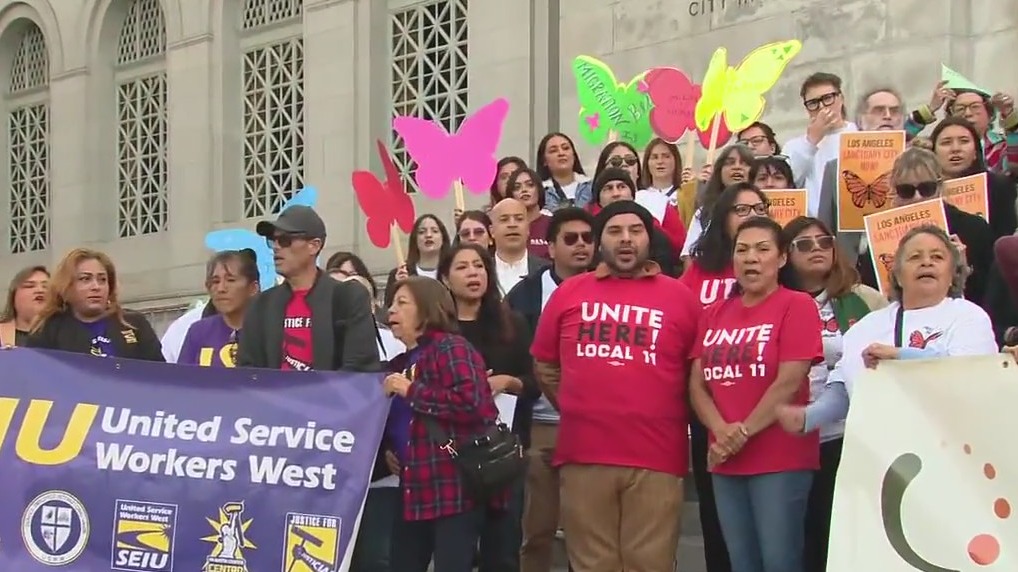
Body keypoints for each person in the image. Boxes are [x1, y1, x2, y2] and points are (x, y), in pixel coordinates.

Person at [531, 200, 702, 572]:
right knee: (592, 565)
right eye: (614, 231)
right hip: (584, 455)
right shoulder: (569, 293)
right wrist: (577, 406)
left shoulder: (681, 297)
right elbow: (545, 365)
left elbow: (698, 375)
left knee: (650, 564)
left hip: (657, 457)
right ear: (598, 241)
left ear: (649, 238)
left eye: (635, 231)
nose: (626, 240)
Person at [777, 225, 997, 449]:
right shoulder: (867, 327)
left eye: (937, 257)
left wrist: (899, 356)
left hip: (953, 450)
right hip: (886, 454)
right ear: (898, 276)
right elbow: (844, 385)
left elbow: (968, 373)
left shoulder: (970, 316)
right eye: (915, 257)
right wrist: (809, 416)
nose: (926, 262)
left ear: (952, 274)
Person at [689, 216, 824, 572]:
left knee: (780, 561)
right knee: (741, 562)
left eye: (762, 250)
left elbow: (790, 379)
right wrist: (721, 432)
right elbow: (697, 384)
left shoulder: (797, 305)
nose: (751, 258)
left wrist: (741, 432)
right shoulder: (715, 313)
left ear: (781, 259)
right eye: (742, 250)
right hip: (724, 457)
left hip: (780, 457)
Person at [780, 216, 887, 572]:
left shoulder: (865, 299)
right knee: (797, 538)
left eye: (824, 242)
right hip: (788, 433)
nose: (817, 250)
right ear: (785, 255)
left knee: (837, 532)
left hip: (847, 433)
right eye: (804, 244)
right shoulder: (774, 300)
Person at [382, 276, 501, 572]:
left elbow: (473, 404)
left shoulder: (451, 348)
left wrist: (412, 391)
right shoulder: (400, 362)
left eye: (402, 303)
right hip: (413, 486)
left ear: (427, 309)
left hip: (453, 487)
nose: (391, 312)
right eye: (391, 304)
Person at [438, 243, 538, 572]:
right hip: (451, 458)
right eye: (463, 267)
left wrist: (507, 382)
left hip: (503, 456)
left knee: (504, 552)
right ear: (445, 277)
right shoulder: (437, 332)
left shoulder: (514, 324)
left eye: (479, 266)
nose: (473, 273)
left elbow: (535, 384)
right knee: (456, 555)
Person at [506, 207, 595, 572]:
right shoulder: (525, 294)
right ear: (551, 248)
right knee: (536, 529)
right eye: (570, 239)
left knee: (588, 532)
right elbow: (511, 354)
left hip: (593, 427)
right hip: (539, 424)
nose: (581, 246)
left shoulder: (613, 290)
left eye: (588, 239)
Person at [237, 205, 380, 371]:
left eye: (285, 240)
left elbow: (359, 368)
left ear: (314, 245)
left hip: (329, 396)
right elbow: (248, 370)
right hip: (273, 396)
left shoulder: (347, 298)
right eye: (272, 240)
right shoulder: (261, 305)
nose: (276, 247)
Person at [855, 147, 994, 307]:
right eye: (906, 191)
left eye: (926, 189)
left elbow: (989, 294)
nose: (917, 198)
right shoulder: (879, 236)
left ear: (939, 186)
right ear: (894, 192)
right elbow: (870, 293)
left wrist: (964, 269)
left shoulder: (973, 228)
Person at [26, 248, 163, 360]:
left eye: (102, 279)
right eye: (85, 279)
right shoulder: (47, 330)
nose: (96, 286)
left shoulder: (135, 324)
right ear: (66, 286)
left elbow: (159, 377)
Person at [930, 115, 1018, 239]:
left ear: (976, 152)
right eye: (946, 143)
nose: (955, 149)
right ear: (933, 153)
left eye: (964, 141)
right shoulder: (922, 192)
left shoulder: (1000, 186)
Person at [784, 72, 857, 214]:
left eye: (828, 98)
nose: (822, 107)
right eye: (813, 103)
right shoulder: (794, 146)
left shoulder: (859, 133)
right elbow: (787, 183)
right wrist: (811, 140)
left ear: (841, 99)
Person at [588, 167, 681, 277]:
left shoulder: (652, 232)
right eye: (608, 188)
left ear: (633, 195)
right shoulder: (588, 234)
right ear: (598, 199)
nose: (616, 193)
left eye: (621, 187)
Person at [178, 250, 260, 367]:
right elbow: (182, 381)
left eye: (231, 280)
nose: (221, 288)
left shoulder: (269, 332)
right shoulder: (198, 331)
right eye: (215, 282)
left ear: (253, 288)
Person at [682, 144, 756, 258]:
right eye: (730, 163)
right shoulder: (703, 213)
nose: (737, 167)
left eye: (745, 163)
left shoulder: (763, 209)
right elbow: (689, 256)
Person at [383, 214, 452, 306]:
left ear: (443, 238)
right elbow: (389, 310)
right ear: (415, 239)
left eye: (434, 231)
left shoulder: (451, 272)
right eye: (421, 232)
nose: (428, 235)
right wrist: (398, 288)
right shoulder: (401, 274)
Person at [489, 198, 550, 295]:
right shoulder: (482, 271)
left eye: (519, 219)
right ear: (492, 231)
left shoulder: (547, 271)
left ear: (528, 228)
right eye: (504, 219)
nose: (512, 225)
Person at [537, 132, 592, 211]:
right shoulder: (539, 192)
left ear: (574, 155)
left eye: (566, 148)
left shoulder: (592, 187)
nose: (561, 153)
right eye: (553, 151)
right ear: (544, 160)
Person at [506, 168, 553, 259]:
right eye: (517, 187)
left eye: (530, 185)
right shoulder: (508, 227)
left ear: (539, 189)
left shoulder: (553, 224)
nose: (524, 190)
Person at [0, 265, 48, 347]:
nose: (40, 290)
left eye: (46, 286)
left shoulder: (65, 334)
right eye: (29, 286)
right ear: (13, 296)